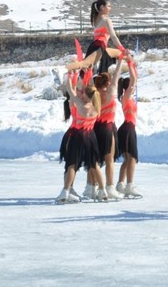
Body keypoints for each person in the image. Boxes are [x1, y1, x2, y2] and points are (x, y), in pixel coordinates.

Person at [56, 71, 106, 202]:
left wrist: (73, 74)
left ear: (86, 95)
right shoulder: (96, 107)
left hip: (78, 135)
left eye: (83, 92)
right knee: (94, 164)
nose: (81, 92)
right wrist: (88, 72)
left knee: (72, 164)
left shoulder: (80, 105)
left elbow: (70, 90)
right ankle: (102, 190)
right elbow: (87, 89)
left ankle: (65, 191)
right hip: (91, 136)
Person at [66, 0, 127, 74]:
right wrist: (122, 48)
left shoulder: (96, 18)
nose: (110, 8)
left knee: (88, 68)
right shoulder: (106, 20)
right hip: (99, 47)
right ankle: (65, 70)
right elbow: (114, 36)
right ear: (102, 7)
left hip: (96, 46)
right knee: (85, 65)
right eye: (109, 6)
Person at [93, 67, 125, 200]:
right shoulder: (110, 92)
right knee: (109, 160)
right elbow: (117, 76)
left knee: (94, 160)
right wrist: (119, 62)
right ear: (107, 82)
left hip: (96, 127)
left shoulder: (94, 94)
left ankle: (91, 186)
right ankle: (110, 186)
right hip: (107, 127)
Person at [115, 56, 142, 197]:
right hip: (127, 128)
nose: (134, 88)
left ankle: (120, 184)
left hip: (128, 128)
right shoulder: (125, 97)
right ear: (128, 88)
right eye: (132, 87)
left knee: (128, 159)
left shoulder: (127, 98)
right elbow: (134, 80)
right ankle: (130, 185)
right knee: (132, 158)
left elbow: (134, 80)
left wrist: (134, 67)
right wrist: (130, 63)